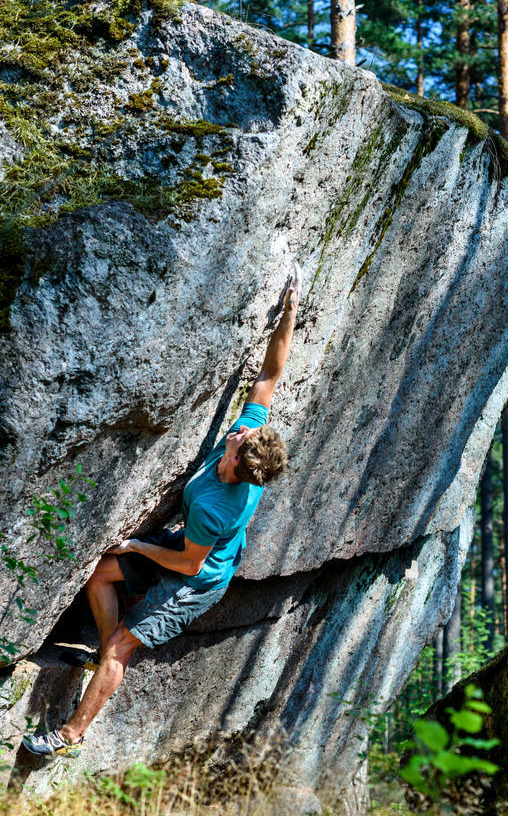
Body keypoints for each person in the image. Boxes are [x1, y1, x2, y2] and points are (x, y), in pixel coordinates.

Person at [23, 263, 302, 758]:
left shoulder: (217, 506)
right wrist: (291, 311)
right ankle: (104, 659)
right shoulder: (245, 447)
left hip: (197, 578)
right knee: (100, 576)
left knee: (122, 645)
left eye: (240, 439)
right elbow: (269, 375)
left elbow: (189, 564)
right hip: (188, 547)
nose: (239, 431)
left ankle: (70, 736)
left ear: (236, 463)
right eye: (244, 431)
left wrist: (137, 545)